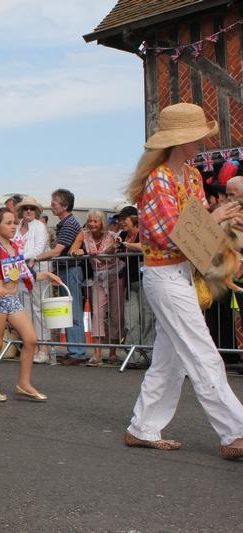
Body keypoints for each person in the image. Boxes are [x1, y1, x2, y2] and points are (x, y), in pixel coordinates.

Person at [124, 102, 243, 460]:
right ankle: (235, 431)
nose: (202, 142)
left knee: (171, 360)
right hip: (165, 276)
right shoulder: (159, 179)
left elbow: (195, 236)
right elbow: (171, 235)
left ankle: (142, 427)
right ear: (182, 140)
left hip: (180, 276)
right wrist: (216, 215)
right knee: (202, 354)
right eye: (198, 137)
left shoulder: (190, 176)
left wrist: (219, 230)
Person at [0, 208, 63, 402]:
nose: (13, 226)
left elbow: (25, 274)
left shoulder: (14, 248)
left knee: (30, 339)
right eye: (8, 223)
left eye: (14, 223)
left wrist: (47, 275)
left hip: (12, 299)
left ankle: (24, 384)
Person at [34, 189, 86, 364]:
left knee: (74, 311)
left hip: (71, 270)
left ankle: (77, 352)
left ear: (64, 206)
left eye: (54, 203)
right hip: (66, 270)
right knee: (70, 310)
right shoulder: (66, 223)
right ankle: (74, 350)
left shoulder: (69, 224)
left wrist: (35, 258)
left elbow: (57, 250)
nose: (51, 206)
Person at [71, 210, 126, 366]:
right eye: (90, 221)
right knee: (97, 313)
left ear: (102, 223)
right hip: (98, 276)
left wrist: (112, 248)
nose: (92, 224)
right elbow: (72, 249)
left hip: (115, 275)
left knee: (116, 313)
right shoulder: (84, 234)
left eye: (96, 221)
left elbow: (111, 251)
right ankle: (97, 354)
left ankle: (113, 352)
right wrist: (77, 251)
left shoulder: (111, 236)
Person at [12, 197, 52, 364]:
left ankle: (44, 348)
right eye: (26, 208)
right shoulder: (18, 226)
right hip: (21, 272)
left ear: (36, 211)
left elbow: (38, 249)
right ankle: (32, 346)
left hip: (38, 271)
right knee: (25, 309)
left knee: (39, 308)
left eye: (32, 208)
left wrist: (18, 257)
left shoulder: (40, 226)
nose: (29, 211)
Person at [116, 206, 153, 368]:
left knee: (147, 318)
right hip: (130, 281)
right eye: (120, 219)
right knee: (131, 319)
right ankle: (134, 354)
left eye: (124, 219)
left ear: (134, 219)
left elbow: (145, 247)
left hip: (146, 280)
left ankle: (149, 355)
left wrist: (125, 245)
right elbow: (114, 248)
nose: (121, 222)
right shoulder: (123, 235)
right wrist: (115, 246)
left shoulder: (144, 231)